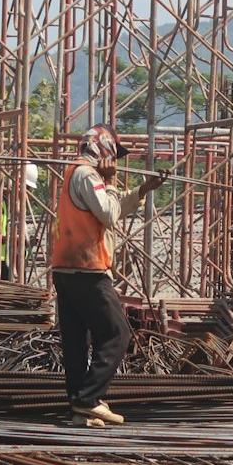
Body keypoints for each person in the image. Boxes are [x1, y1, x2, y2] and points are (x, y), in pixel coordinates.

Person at [51, 126, 166, 426]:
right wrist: (111, 181)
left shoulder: (77, 174)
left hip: (67, 269)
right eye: (114, 153)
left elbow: (108, 209)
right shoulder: (88, 175)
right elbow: (109, 214)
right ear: (102, 148)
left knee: (76, 340)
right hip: (87, 271)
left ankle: (79, 408)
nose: (115, 160)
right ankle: (89, 398)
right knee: (117, 333)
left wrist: (141, 191)